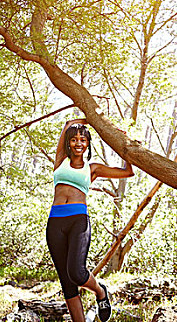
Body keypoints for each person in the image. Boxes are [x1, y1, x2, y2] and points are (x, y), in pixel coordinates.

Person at [46, 118, 134, 322]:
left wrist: (124, 144)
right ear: (69, 142)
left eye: (83, 140)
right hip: (55, 223)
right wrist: (89, 119)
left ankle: (100, 291)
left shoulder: (92, 168)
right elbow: (67, 123)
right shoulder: (61, 160)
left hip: (78, 220)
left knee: (76, 273)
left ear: (88, 144)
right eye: (75, 139)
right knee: (67, 284)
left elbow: (128, 172)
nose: (78, 143)